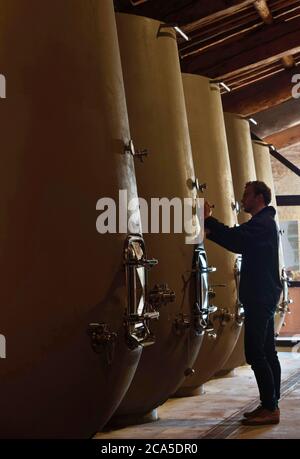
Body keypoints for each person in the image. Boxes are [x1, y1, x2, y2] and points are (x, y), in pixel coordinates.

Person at [204, 181, 282, 426]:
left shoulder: (262, 224)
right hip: (264, 295)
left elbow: (236, 240)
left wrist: (208, 220)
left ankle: (270, 408)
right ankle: (271, 403)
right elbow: (238, 237)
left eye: (247, 194)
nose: (242, 197)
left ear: (259, 197)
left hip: (260, 297)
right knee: (268, 351)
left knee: (255, 353)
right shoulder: (265, 223)